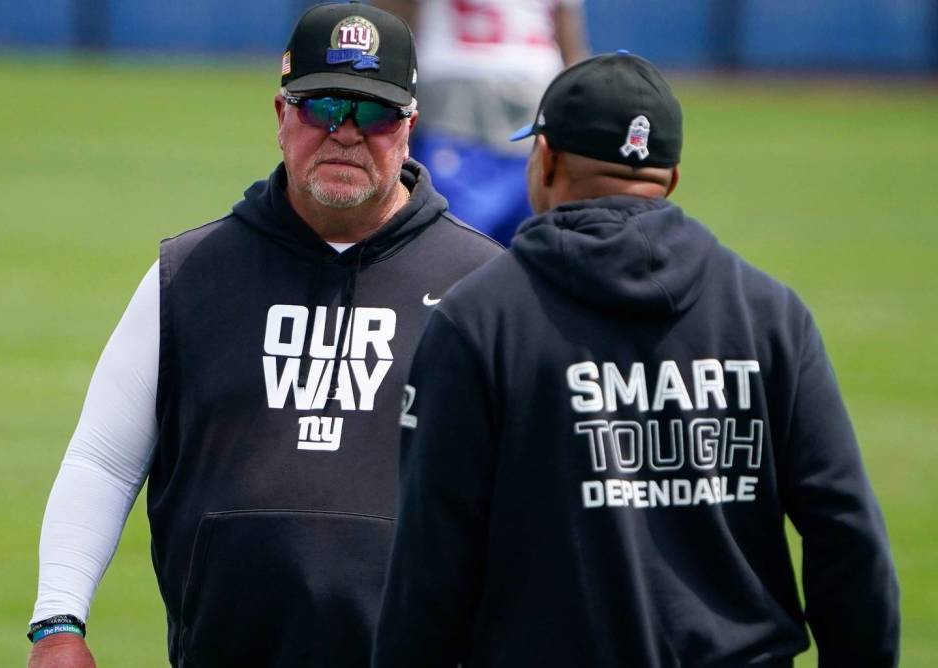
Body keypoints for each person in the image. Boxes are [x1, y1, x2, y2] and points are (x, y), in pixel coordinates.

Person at [374, 52, 900, 666]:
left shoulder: (479, 320)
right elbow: (848, 537)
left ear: (545, 160)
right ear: (670, 176)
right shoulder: (771, 314)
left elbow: (430, 566)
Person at [28, 3, 501, 666]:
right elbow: (103, 458)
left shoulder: (483, 286)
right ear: (281, 116)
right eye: (322, 108)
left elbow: (535, 489)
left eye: (373, 113)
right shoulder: (189, 275)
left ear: (409, 128)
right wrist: (57, 620)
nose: (344, 133)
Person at [375, 0, 587, 245]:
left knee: (530, 247)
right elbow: (388, 23)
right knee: (450, 242)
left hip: (531, 101)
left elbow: (570, 37)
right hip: (457, 102)